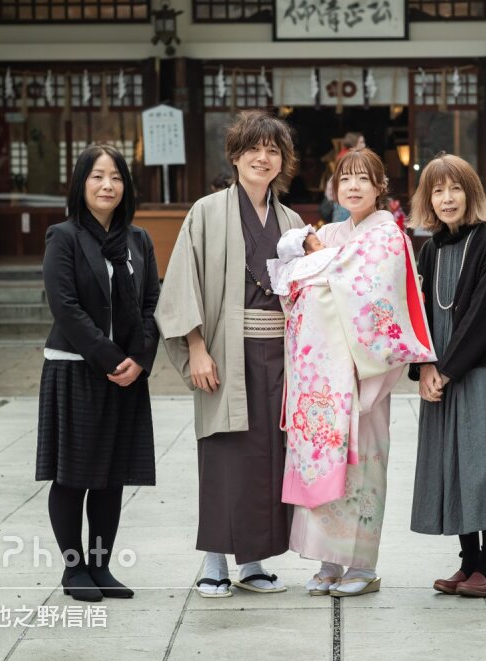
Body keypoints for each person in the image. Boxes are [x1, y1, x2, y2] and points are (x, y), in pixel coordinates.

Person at [155, 110, 305, 598]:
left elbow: (307, 293)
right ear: (236, 156)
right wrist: (195, 347)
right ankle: (214, 560)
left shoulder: (292, 221)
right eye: (253, 149)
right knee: (224, 452)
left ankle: (255, 561)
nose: (263, 158)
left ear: (282, 161)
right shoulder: (207, 211)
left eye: (273, 150)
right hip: (224, 348)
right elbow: (183, 280)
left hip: (280, 354)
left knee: (267, 456)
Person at [283, 148, 435, 597]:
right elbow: (292, 284)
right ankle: (329, 563)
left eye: (363, 179)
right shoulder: (326, 233)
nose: (352, 186)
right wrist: (317, 270)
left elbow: (371, 295)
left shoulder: (388, 236)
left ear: (379, 187)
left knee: (363, 465)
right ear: (334, 187)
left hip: (361, 369)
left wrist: (318, 269)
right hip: (322, 376)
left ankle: (363, 567)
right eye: (344, 178)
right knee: (324, 457)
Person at [36, 144, 160, 602]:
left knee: (111, 477)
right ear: (81, 184)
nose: (107, 185)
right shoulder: (63, 236)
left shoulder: (138, 240)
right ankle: (74, 571)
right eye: (97, 176)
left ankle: (101, 566)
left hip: (128, 373)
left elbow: (151, 304)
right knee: (72, 476)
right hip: (76, 370)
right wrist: (111, 358)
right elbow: (65, 307)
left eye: (116, 177)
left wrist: (139, 360)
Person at [407, 154, 486, 598]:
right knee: (451, 462)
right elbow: (417, 315)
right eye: (437, 190)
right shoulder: (430, 248)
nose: (447, 198)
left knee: (484, 463)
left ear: (471, 193)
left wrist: (447, 370)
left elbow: (484, 317)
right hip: (440, 373)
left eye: (455, 189)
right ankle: (467, 562)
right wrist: (424, 368)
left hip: (481, 371)